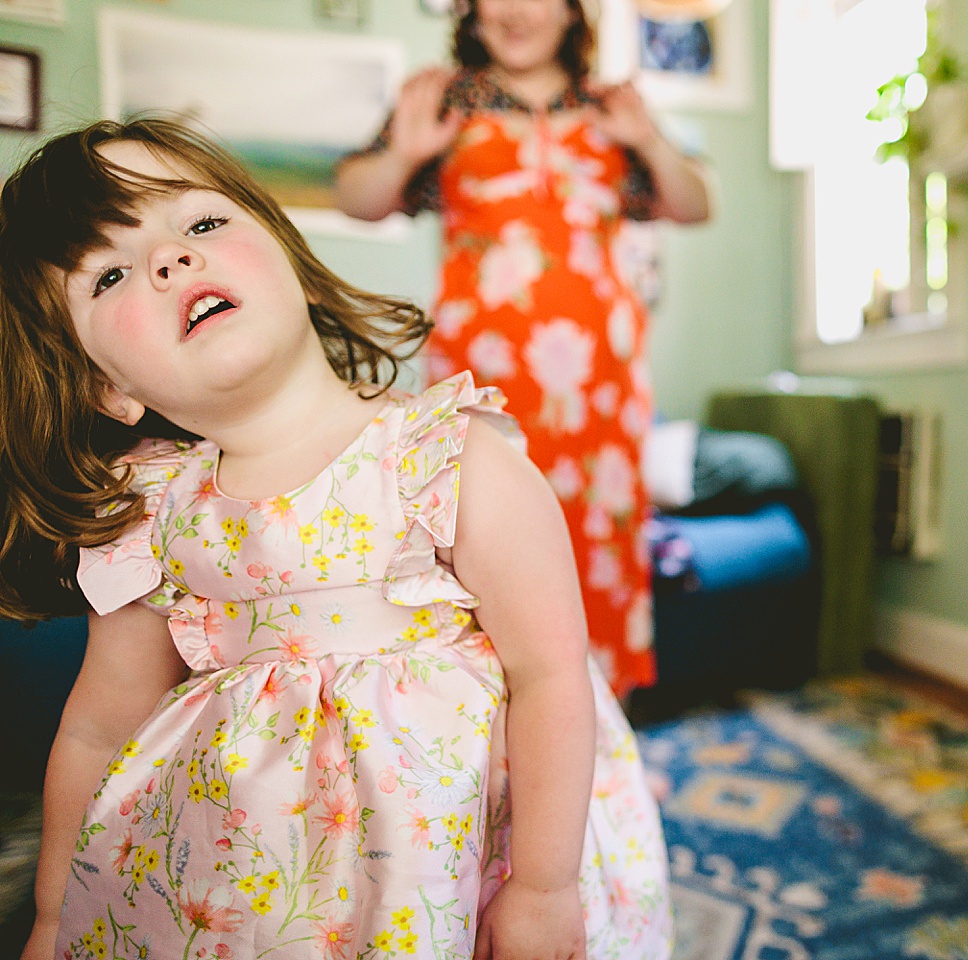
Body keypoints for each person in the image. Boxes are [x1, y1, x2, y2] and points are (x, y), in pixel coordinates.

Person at [0, 117, 671, 960]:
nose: (169, 260)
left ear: (290, 260)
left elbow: (552, 675)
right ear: (109, 387)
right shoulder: (150, 512)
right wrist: (56, 914)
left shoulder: (447, 457)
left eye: (200, 223)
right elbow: (100, 727)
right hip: (246, 871)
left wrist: (543, 887)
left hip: (459, 856)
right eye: (108, 275)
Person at [333, 0, 712, 700]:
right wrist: (407, 153)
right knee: (484, 544)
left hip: (604, 378)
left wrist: (651, 141)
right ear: (470, 12)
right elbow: (356, 196)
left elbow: (695, 204)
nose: (514, 9)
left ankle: (606, 761)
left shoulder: (611, 104)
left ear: (572, 11)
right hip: (484, 374)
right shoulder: (443, 98)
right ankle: (498, 747)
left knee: (601, 546)